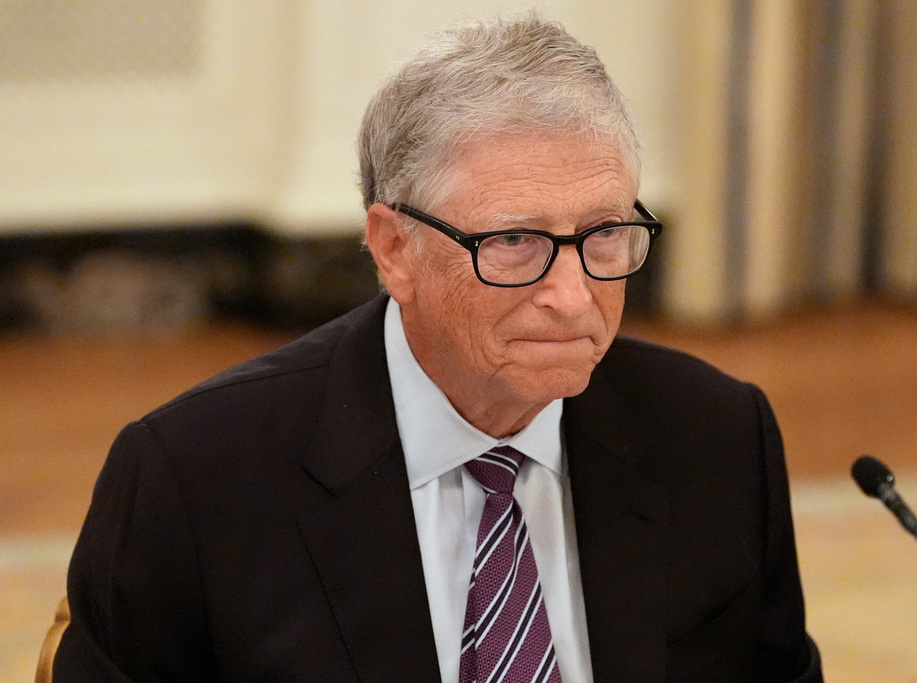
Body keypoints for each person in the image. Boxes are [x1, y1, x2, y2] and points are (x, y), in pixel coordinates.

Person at [54, 13, 822, 682]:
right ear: (394, 249)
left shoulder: (718, 436)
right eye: (515, 241)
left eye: (604, 233)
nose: (573, 295)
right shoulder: (194, 478)